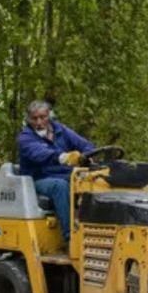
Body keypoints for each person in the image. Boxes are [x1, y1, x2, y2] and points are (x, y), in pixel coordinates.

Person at [18, 100, 94, 241]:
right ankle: (69, 236)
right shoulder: (25, 137)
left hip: (66, 175)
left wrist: (88, 156)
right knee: (59, 186)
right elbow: (39, 154)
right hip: (37, 179)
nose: (39, 122)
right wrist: (64, 157)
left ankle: (92, 229)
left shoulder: (61, 130)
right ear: (28, 119)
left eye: (43, 117)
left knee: (94, 180)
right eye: (35, 118)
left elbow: (85, 145)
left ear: (49, 116)